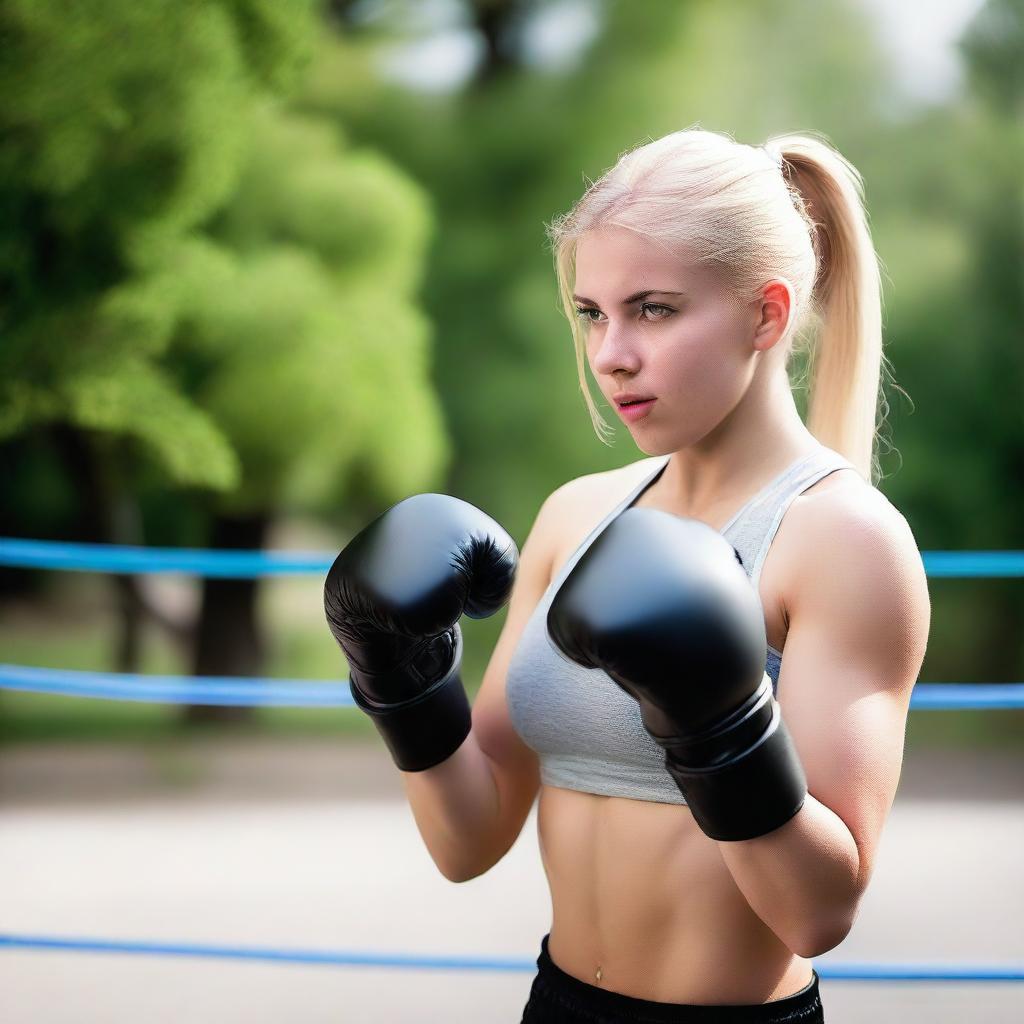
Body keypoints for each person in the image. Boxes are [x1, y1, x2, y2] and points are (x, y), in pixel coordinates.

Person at [324, 126, 931, 1022]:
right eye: (591, 313)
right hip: (556, 1003)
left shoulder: (842, 538)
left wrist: (720, 723)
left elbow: (819, 912)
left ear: (767, 314)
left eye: (653, 308)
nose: (611, 353)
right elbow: (469, 838)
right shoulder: (576, 514)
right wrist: (404, 681)